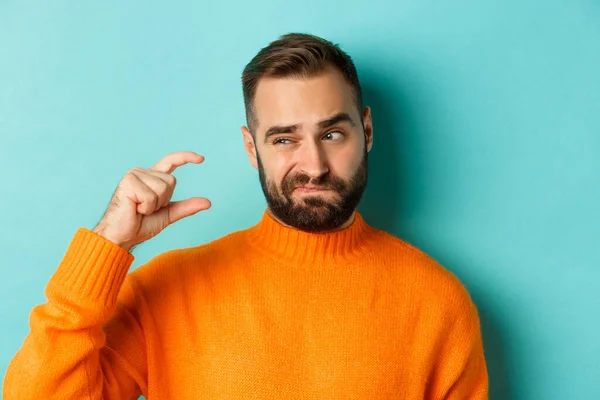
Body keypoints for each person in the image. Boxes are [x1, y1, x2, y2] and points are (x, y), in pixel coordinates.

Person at [3, 33, 488, 399]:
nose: (313, 165)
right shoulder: (166, 292)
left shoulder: (437, 303)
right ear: (251, 148)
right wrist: (107, 246)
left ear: (366, 130)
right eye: (284, 139)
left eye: (333, 134)